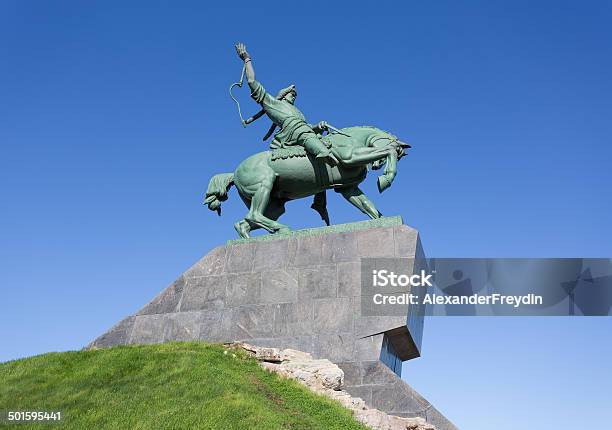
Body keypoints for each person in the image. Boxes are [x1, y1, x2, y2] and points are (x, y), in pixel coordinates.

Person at [235, 42, 338, 165]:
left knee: (318, 135)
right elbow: (252, 81)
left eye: (295, 95)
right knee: (305, 134)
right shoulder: (273, 103)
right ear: (283, 94)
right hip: (293, 133)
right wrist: (247, 59)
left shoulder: (297, 111)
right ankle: (323, 153)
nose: (293, 96)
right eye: (291, 93)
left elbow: (307, 127)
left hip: (303, 130)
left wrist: (318, 126)